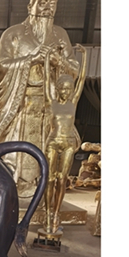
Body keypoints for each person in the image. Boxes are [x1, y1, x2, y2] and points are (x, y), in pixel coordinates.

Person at [0, 0, 79, 196]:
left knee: (48, 152)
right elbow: (2, 66)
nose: (47, 8)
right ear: (31, 6)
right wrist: (31, 59)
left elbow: (74, 69)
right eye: (42, 3)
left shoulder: (60, 35)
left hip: (49, 105)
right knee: (14, 153)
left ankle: (42, 191)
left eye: (52, 4)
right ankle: (12, 188)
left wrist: (58, 62)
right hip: (19, 103)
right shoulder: (14, 34)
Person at [43, 44, 87, 235]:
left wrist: (84, 56)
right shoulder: (51, 102)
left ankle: (56, 214)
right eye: (64, 88)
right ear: (59, 88)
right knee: (49, 179)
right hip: (53, 142)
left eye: (70, 89)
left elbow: (82, 79)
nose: (67, 92)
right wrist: (47, 57)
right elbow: (47, 80)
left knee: (62, 179)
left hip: (68, 142)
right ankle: (47, 214)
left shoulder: (73, 102)